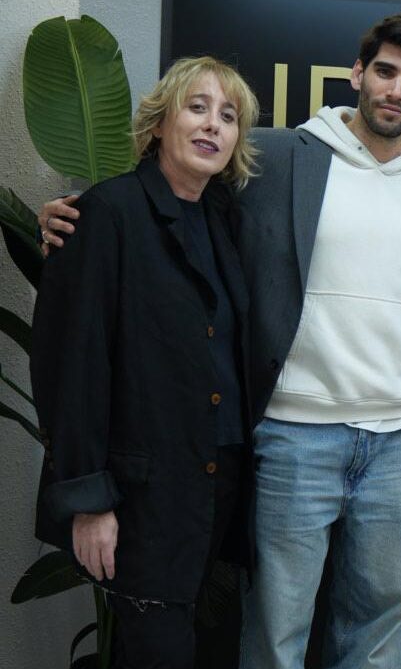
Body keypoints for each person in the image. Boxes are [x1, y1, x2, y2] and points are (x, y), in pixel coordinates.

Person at [38, 13, 401, 669]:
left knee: (379, 629)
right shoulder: (279, 156)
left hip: (400, 442)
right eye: (384, 70)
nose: (396, 89)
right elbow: (162, 195)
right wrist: (73, 213)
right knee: (274, 633)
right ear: (357, 72)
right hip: (297, 436)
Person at [31, 57, 259, 669]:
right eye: (197, 107)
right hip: (141, 493)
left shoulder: (223, 218)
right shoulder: (106, 214)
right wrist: (89, 502)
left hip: (213, 483)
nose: (213, 124)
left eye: (229, 115)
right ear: (159, 123)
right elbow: (70, 368)